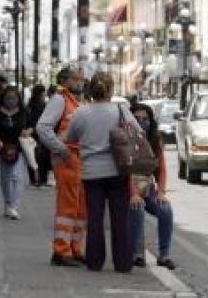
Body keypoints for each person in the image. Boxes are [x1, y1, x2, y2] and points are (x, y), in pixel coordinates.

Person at [65, 72, 142, 273]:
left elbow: (70, 136)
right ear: (111, 90)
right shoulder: (121, 110)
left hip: (91, 173)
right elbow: (138, 132)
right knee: (120, 220)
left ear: (91, 91)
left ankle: (95, 261)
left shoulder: (81, 113)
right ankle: (123, 263)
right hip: (118, 170)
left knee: (95, 219)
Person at [36, 66, 87, 267]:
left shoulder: (77, 102)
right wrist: (60, 149)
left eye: (82, 79)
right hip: (68, 159)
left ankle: (75, 249)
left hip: (79, 159)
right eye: (77, 78)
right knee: (67, 206)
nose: (81, 82)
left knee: (80, 207)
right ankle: (61, 251)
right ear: (65, 80)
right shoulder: (59, 100)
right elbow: (43, 127)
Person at [129, 103, 176, 270]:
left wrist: (161, 192)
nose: (141, 122)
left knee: (165, 209)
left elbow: (161, 169)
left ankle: (164, 255)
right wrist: (133, 193)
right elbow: (124, 171)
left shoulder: (155, 141)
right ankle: (137, 254)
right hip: (128, 189)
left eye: (145, 119)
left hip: (148, 189)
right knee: (137, 208)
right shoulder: (124, 139)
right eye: (137, 119)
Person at [0, 86, 32, 219]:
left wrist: (28, 131)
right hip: (3, 149)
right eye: (8, 98)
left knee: (18, 178)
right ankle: (8, 203)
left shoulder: (23, 111)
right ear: (3, 98)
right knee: (6, 178)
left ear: (18, 98)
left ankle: (13, 206)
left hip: (19, 148)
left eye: (14, 98)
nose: (11, 100)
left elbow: (33, 125)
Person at [26, 84, 47, 186]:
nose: (44, 95)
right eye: (43, 93)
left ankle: (36, 179)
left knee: (37, 157)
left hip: (36, 133)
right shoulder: (35, 105)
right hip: (35, 134)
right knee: (36, 157)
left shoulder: (33, 105)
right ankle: (38, 179)